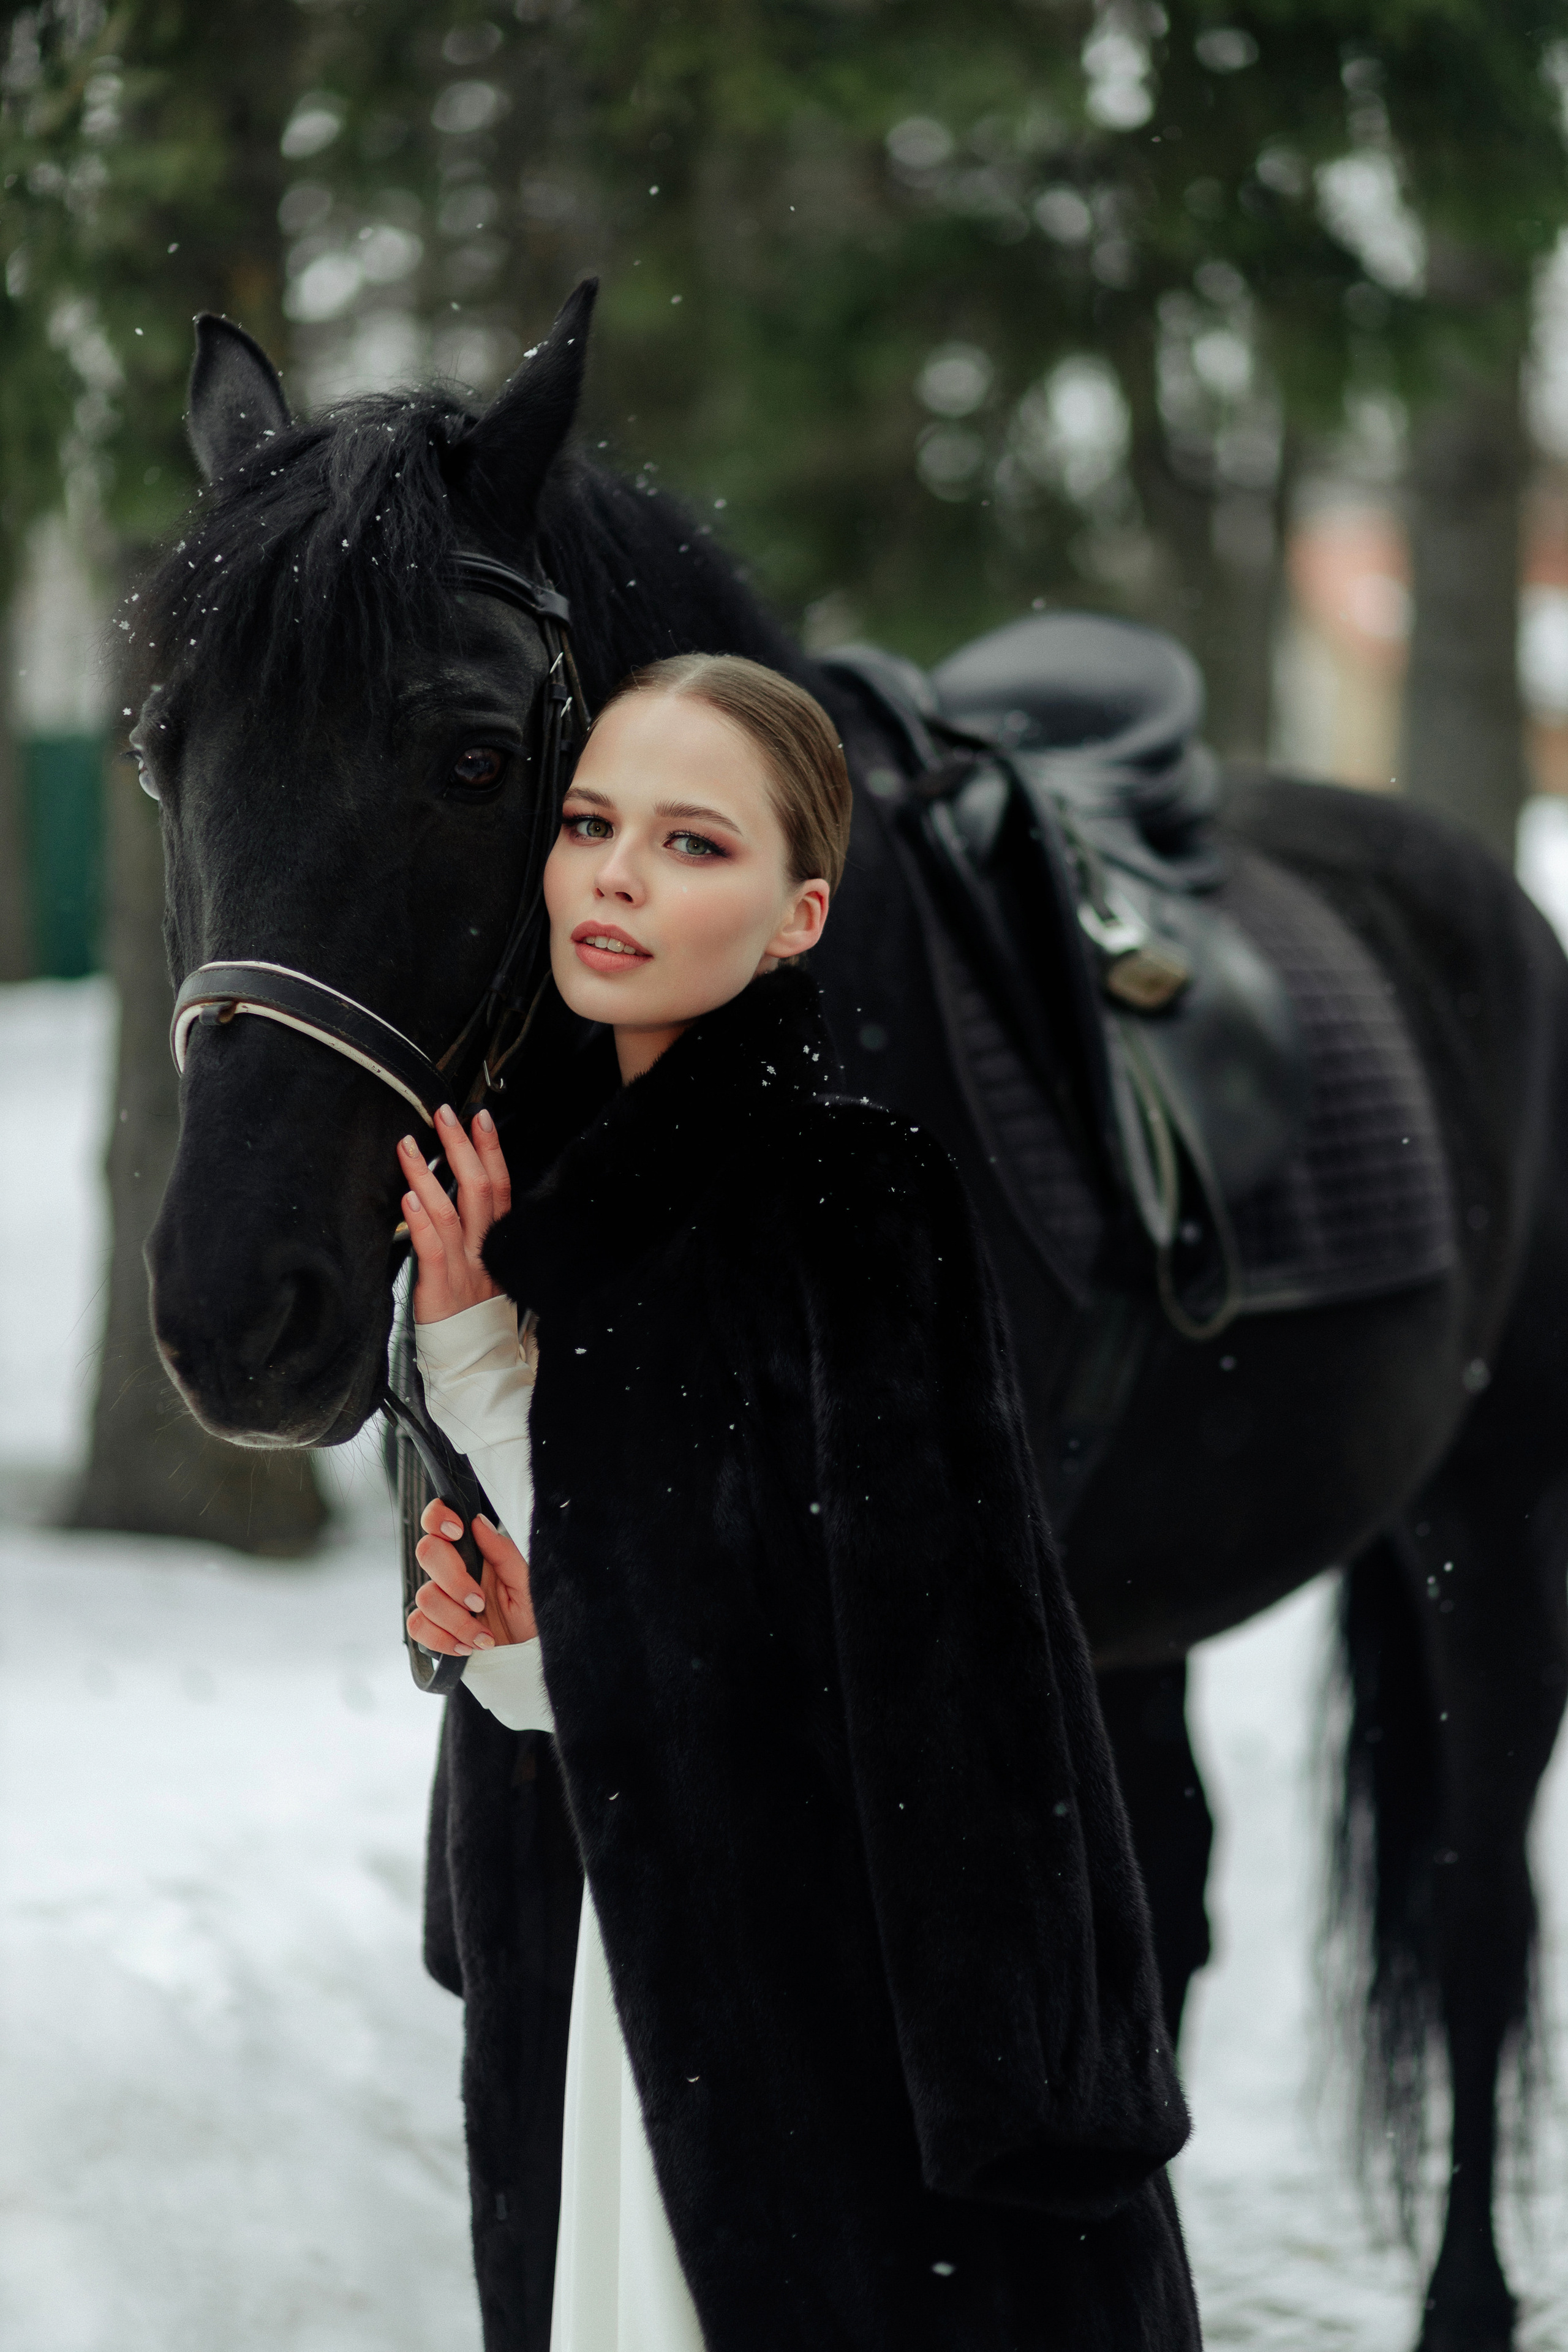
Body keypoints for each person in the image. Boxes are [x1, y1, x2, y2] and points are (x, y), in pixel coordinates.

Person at [394, 654, 1200, 2352]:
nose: (617, 875)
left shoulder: (854, 1205)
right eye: (590, 823)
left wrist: (546, 1632)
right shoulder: (548, 1212)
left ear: (797, 917)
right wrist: (490, 1596)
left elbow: (930, 1707)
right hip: (617, 1990)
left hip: (815, 2052)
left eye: (695, 845)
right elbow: (630, 1615)